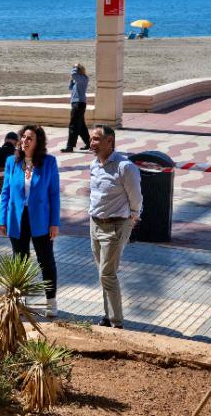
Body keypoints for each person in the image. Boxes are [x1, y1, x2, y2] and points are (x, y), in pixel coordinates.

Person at [0, 125, 60, 317]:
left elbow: (54, 194)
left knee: (45, 260)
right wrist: (2, 219)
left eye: (29, 138)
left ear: (38, 142)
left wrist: (54, 222)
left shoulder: (49, 162)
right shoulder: (12, 161)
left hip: (40, 218)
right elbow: (5, 192)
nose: (24, 141)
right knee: (20, 260)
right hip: (17, 218)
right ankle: (21, 299)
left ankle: (51, 301)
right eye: (23, 137)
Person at [88, 125, 142, 329]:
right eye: (91, 139)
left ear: (109, 141)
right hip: (95, 223)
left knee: (107, 274)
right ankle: (107, 315)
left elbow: (136, 196)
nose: (92, 143)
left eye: (96, 139)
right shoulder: (93, 165)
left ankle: (117, 323)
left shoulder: (125, 167)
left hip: (115, 225)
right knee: (102, 273)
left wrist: (134, 216)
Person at [61, 63, 90, 153]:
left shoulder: (84, 78)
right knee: (81, 126)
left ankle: (70, 146)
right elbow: (70, 87)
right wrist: (72, 80)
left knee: (73, 125)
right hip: (77, 104)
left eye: (76, 68)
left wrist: (75, 67)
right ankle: (89, 143)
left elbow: (73, 74)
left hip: (78, 104)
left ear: (79, 70)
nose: (74, 70)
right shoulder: (78, 80)